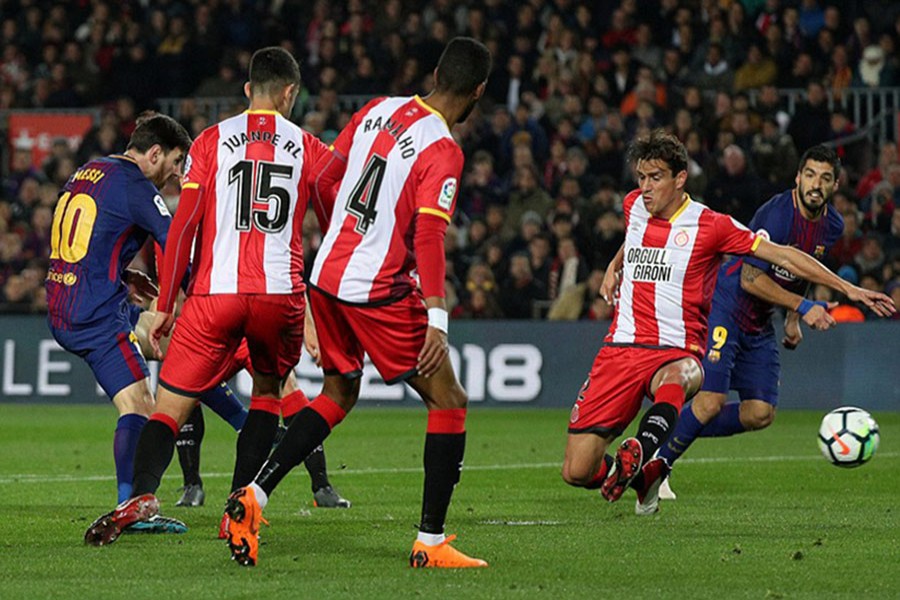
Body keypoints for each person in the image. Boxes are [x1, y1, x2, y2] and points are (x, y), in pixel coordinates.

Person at [223, 37, 493, 569]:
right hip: (377, 289)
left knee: (339, 393)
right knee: (449, 401)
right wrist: (438, 318)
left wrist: (343, 237)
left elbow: (325, 176)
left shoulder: (378, 109)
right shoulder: (444, 150)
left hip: (326, 275)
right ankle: (431, 542)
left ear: (434, 71)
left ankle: (253, 497)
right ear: (479, 91)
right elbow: (430, 239)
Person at [560, 130, 894, 518]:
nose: (645, 187)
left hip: (676, 346)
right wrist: (613, 266)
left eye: (655, 178)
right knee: (577, 470)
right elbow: (634, 236)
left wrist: (845, 289)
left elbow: (783, 256)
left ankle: (649, 450)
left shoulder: (712, 225)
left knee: (691, 380)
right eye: (641, 177)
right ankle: (639, 476)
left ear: (680, 178)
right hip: (620, 345)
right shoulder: (634, 205)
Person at [83, 47, 328, 546]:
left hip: (213, 295)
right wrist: (314, 314)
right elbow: (330, 229)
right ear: (290, 94)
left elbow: (183, 230)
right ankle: (238, 504)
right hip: (279, 295)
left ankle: (144, 494)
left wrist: (163, 307)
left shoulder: (211, 143)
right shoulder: (311, 149)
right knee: (265, 396)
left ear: (246, 91)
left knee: (168, 408)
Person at [657, 145, 847, 503]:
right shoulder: (776, 215)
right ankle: (658, 463)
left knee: (760, 413)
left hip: (760, 324)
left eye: (824, 178)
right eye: (809, 175)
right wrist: (804, 306)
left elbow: (801, 270)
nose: (815, 185)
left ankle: (666, 429)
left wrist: (792, 319)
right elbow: (749, 278)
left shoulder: (832, 226)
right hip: (726, 307)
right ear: (797, 177)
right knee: (710, 401)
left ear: (835, 185)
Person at [45, 112, 194, 534]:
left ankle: (240, 426)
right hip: (95, 313)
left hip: (63, 300)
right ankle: (132, 507)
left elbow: (74, 230)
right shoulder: (135, 186)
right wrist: (196, 290)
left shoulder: (88, 169)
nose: (176, 173)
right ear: (154, 153)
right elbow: (175, 241)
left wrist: (120, 272)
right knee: (143, 408)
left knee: (168, 347)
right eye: (175, 161)